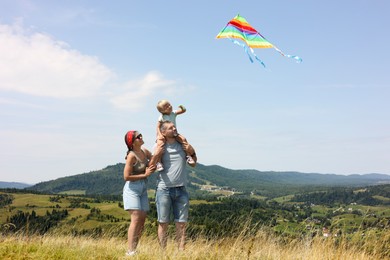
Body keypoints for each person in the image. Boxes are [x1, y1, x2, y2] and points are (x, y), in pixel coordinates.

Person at [154, 121, 197, 250]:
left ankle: (181, 252)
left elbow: (194, 163)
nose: (174, 128)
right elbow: (152, 163)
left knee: (182, 224)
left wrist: (192, 153)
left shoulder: (183, 145)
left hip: (181, 189)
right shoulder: (159, 146)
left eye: (174, 126)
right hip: (164, 189)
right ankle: (163, 254)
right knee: (163, 223)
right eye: (170, 128)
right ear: (163, 132)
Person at [122, 130, 155, 256]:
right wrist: (145, 174)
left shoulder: (144, 151)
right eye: (138, 137)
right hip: (132, 189)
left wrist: (152, 165)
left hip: (142, 189)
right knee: (135, 219)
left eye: (141, 135)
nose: (141, 137)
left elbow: (153, 158)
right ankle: (130, 251)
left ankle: (134, 249)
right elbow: (126, 176)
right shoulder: (131, 156)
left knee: (142, 220)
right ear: (132, 142)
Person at [149, 100, 196, 172]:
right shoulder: (162, 117)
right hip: (162, 134)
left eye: (169, 104)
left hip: (174, 133)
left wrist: (182, 108)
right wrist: (160, 135)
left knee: (183, 139)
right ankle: (159, 162)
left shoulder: (173, 113)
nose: (169, 106)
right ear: (162, 111)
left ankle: (188, 156)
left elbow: (182, 111)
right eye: (166, 106)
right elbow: (158, 127)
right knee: (159, 145)